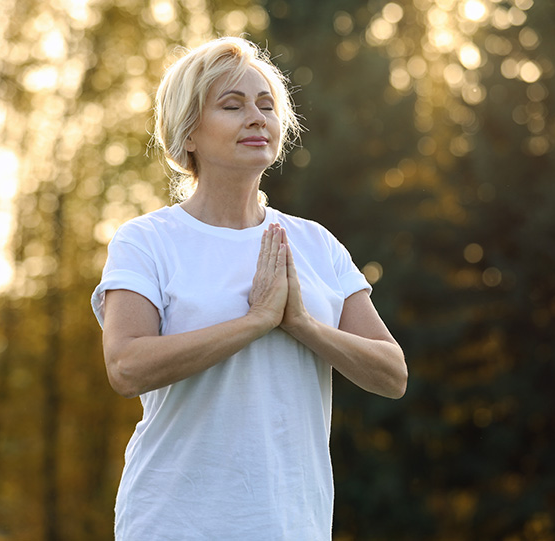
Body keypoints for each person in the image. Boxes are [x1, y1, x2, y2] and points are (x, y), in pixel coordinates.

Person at [91, 36, 407, 540]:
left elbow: (392, 374)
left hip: (293, 524)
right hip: (174, 522)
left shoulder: (316, 243)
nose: (257, 118)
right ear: (188, 133)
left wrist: (299, 324)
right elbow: (126, 366)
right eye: (232, 105)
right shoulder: (147, 241)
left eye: (266, 106)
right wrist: (255, 322)